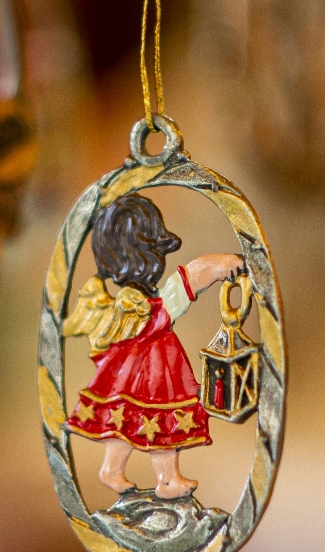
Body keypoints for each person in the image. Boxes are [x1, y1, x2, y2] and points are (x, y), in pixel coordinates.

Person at [62, 194, 244, 500]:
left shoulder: (125, 305)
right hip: (157, 381)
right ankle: (167, 479)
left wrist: (216, 266)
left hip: (127, 379)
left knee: (124, 422)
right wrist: (219, 266)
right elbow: (188, 281)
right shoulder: (149, 308)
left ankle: (112, 469)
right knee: (160, 425)